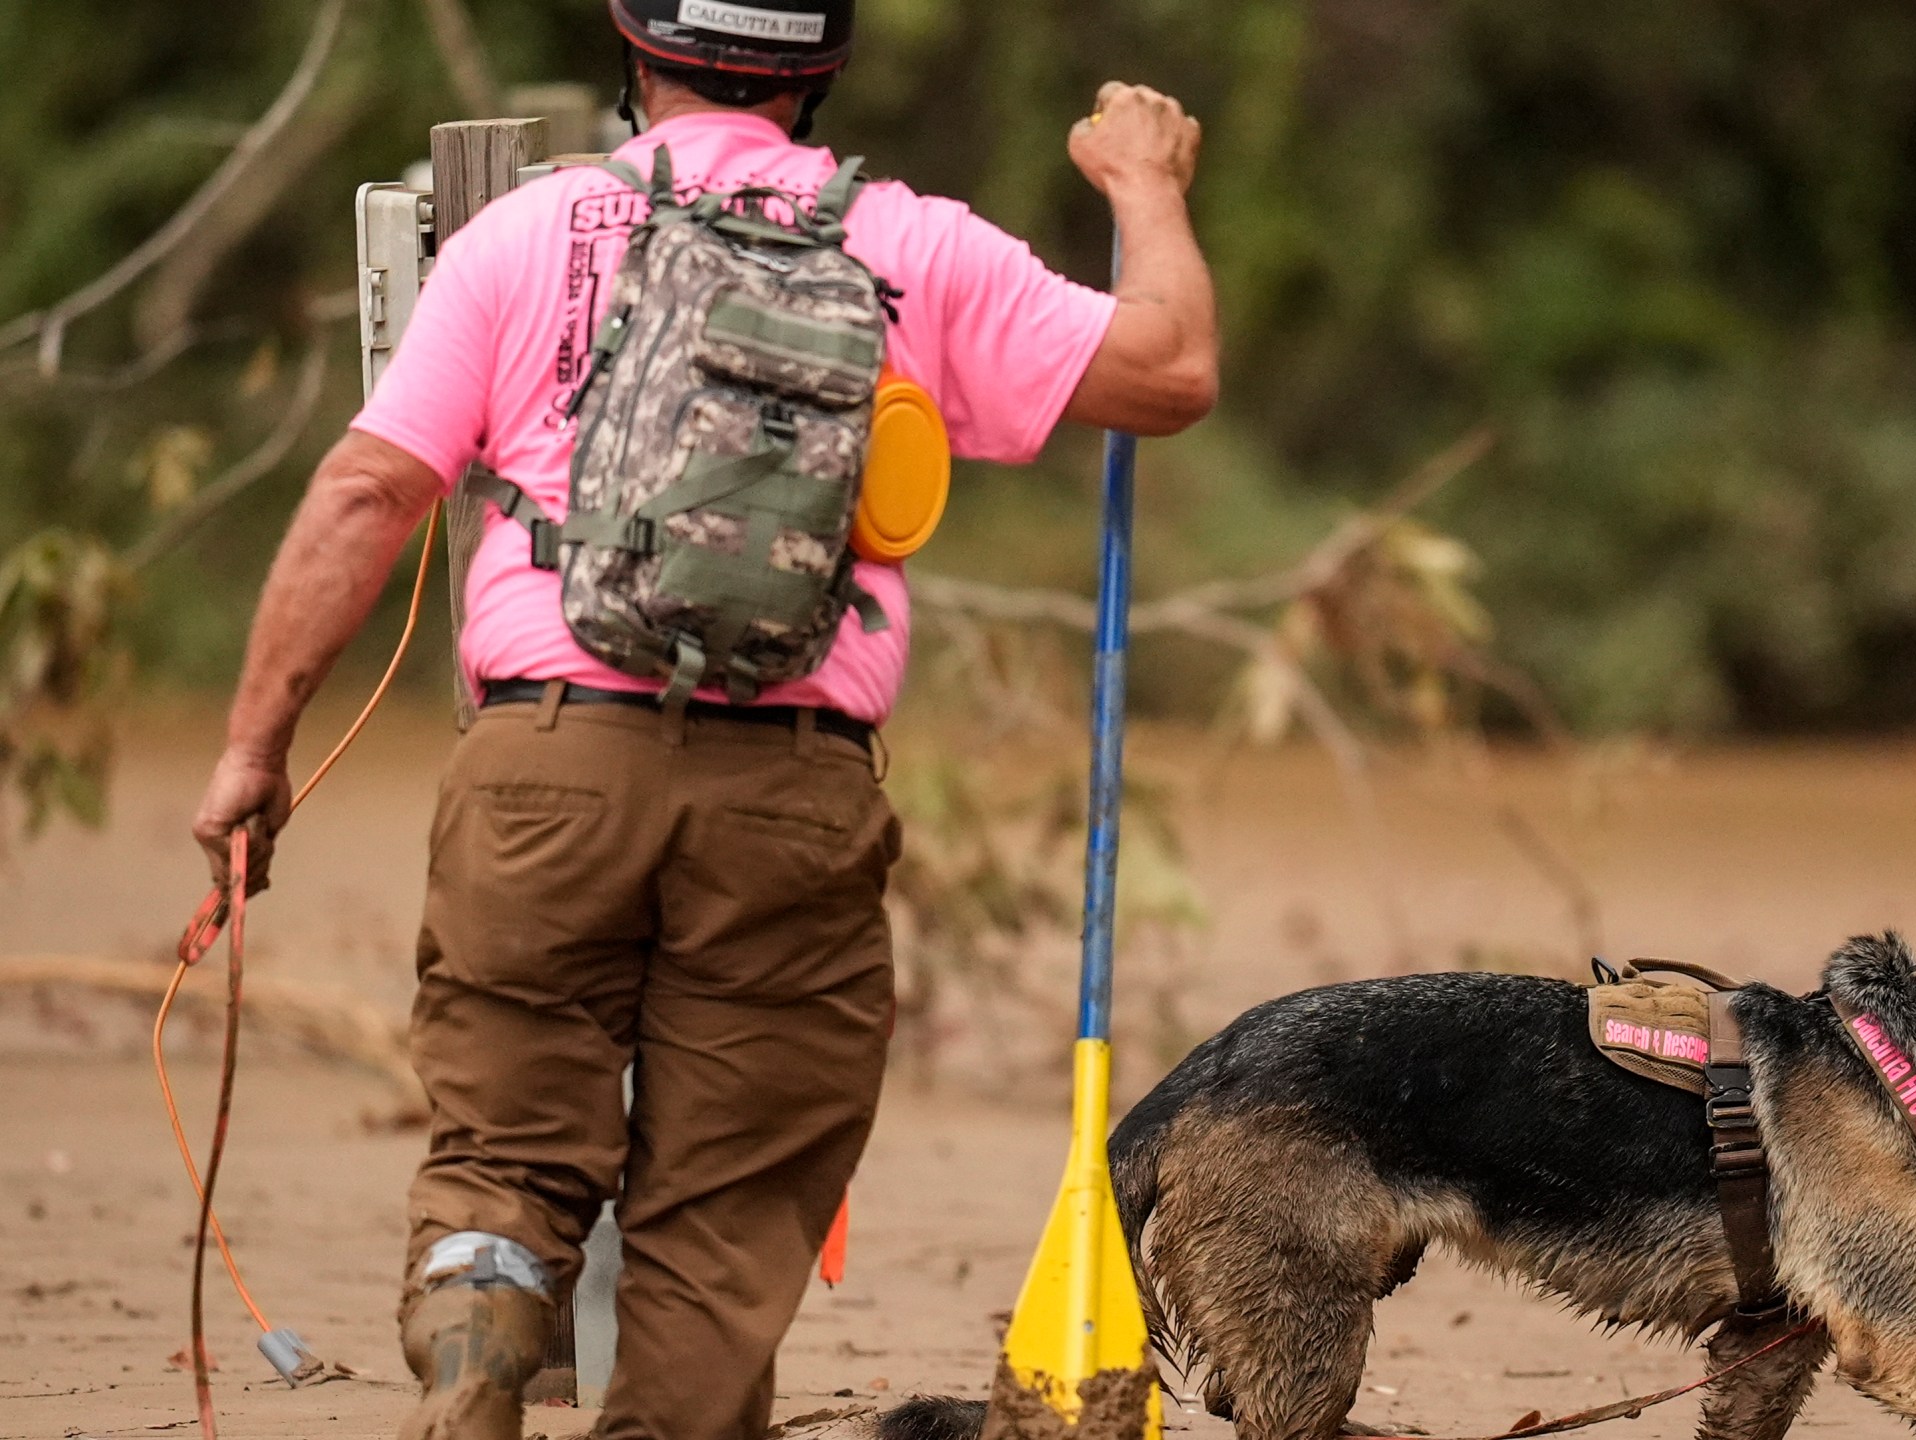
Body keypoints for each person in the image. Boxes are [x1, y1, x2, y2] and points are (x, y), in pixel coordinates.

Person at [186, 0, 1217, 1433]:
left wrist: (255, 748)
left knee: (506, 1148)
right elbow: (1169, 372)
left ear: (635, 47)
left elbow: (365, 493)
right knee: (726, 1209)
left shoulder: (525, 235)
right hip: (792, 795)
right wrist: (1146, 189)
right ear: (825, 72)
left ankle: (480, 1344)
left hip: (545, 767)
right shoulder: (909, 243)